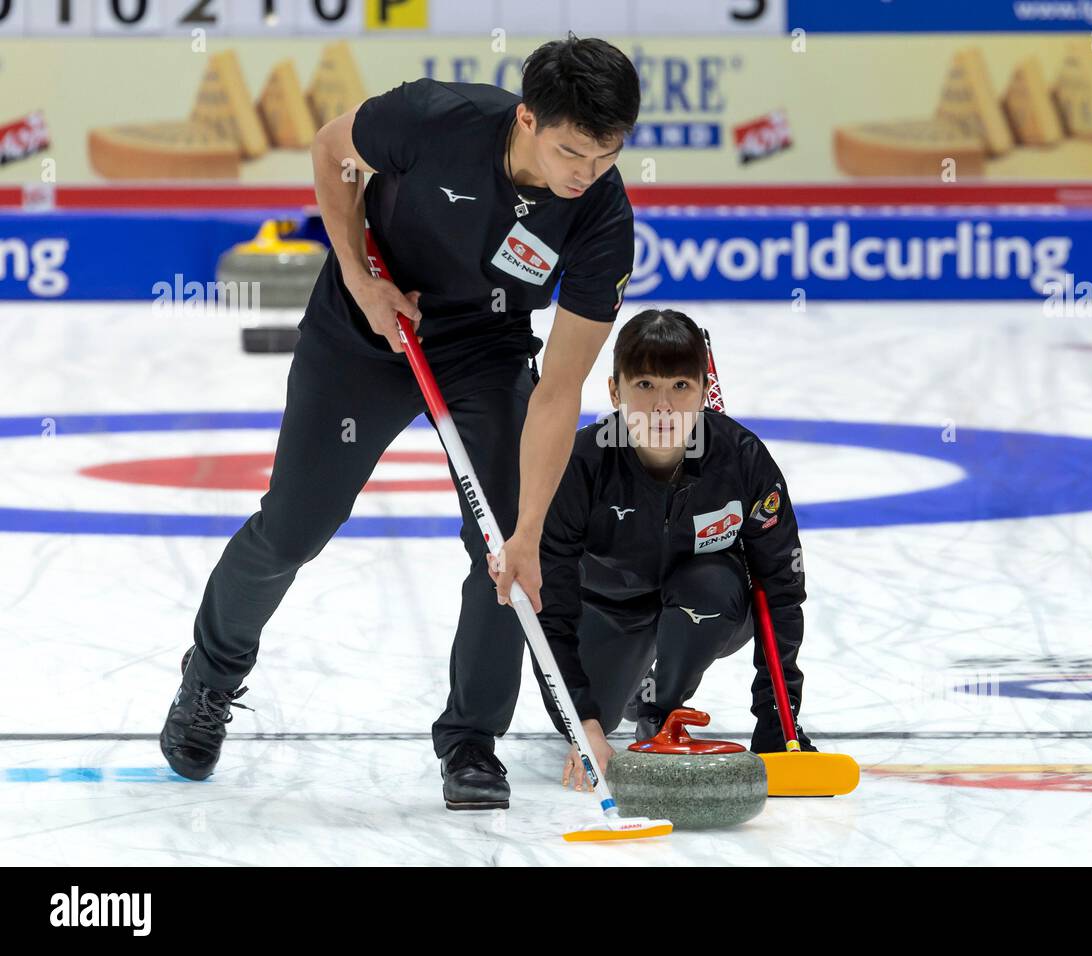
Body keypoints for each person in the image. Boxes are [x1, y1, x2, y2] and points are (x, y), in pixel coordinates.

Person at [161, 35, 640, 813]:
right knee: (293, 529)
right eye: (571, 152)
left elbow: (559, 391)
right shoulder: (435, 118)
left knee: (503, 550)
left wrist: (529, 532)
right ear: (527, 119)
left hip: (485, 348)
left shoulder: (603, 220)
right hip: (365, 327)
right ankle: (209, 679)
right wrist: (359, 278)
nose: (586, 174)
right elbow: (332, 152)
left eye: (607, 155)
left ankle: (471, 741)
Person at [525, 309, 816, 788]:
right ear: (614, 391)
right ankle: (634, 687)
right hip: (609, 609)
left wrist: (775, 720)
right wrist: (584, 723)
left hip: (709, 604)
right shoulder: (581, 464)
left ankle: (662, 713)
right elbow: (549, 605)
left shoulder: (741, 459)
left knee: (709, 584)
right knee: (600, 714)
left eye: (680, 386)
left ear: (704, 391)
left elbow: (781, 590)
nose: (662, 407)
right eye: (645, 385)